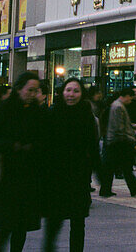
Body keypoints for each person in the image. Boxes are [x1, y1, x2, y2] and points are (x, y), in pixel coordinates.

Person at [0, 71, 49, 252]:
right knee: (5, 225)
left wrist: (35, 148)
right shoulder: (3, 109)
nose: (33, 94)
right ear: (19, 89)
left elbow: (46, 140)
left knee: (22, 226)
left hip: (30, 177)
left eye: (36, 90)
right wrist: (13, 145)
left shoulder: (38, 112)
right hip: (7, 176)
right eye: (30, 90)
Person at [44, 78, 98, 251]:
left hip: (78, 178)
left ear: (82, 94)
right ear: (62, 92)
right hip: (55, 177)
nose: (71, 94)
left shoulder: (87, 115)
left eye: (76, 91)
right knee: (54, 222)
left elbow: (93, 146)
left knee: (78, 222)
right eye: (68, 90)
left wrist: (100, 173)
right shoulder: (53, 113)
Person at [98, 87, 136, 197]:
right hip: (118, 142)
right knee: (122, 168)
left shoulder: (117, 105)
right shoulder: (118, 106)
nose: (131, 101)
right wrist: (129, 136)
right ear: (126, 96)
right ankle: (133, 189)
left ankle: (133, 189)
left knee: (121, 168)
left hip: (116, 141)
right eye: (130, 98)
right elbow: (118, 126)